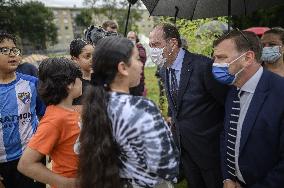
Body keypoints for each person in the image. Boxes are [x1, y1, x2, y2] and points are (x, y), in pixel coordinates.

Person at [78, 36, 179, 188]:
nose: (141, 65)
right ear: (123, 68)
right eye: (138, 59)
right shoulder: (143, 109)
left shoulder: (94, 106)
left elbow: (79, 148)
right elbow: (168, 166)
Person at [149, 23, 228, 188]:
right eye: (150, 46)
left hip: (209, 149)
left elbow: (225, 103)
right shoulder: (164, 70)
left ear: (173, 43)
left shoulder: (204, 66)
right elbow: (176, 103)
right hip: (184, 149)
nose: (152, 50)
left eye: (156, 45)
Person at [212, 30, 284, 187]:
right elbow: (227, 134)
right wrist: (227, 177)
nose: (215, 64)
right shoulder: (233, 89)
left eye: (221, 57)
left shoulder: (280, 93)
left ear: (248, 58)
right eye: (214, 57)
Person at [17, 57, 82, 188]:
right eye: (79, 78)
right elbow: (26, 164)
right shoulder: (55, 120)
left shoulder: (67, 111)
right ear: (69, 84)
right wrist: (66, 183)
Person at [0, 32, 45, 188]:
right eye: (4, 50)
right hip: (3, 163)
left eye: (14, 49)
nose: (11, 54)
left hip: (31, 156)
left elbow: (45, 116)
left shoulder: (32, 83)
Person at [70, 38, 94, 105]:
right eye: (87, 56)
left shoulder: (99, 78)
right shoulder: (74, 85)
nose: (92, 59)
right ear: (75, 59)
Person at [127, 31, 147, 96]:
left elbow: (141, 61)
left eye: (132, 38)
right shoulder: (126, 49)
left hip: (138, 82)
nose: (130, 39)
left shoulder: (140, 49)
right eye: (128, 38)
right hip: (128, 82)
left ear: (136, 39)